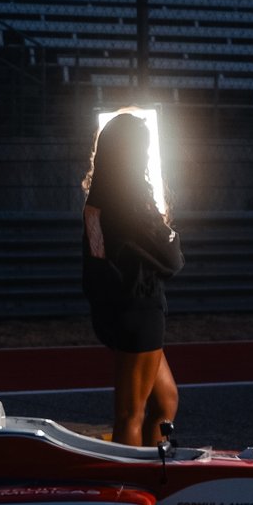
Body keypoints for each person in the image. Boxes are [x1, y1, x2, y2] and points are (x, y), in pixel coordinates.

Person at [81, 111, 184, 446]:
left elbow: (95, 259)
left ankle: (153, 469)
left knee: (165, 402)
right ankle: (126, 488)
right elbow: (173, 259)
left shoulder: (95, 204)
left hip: (114, 311)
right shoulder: (135, 203)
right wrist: (167, 231)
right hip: (139, 310)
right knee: (130, 414)